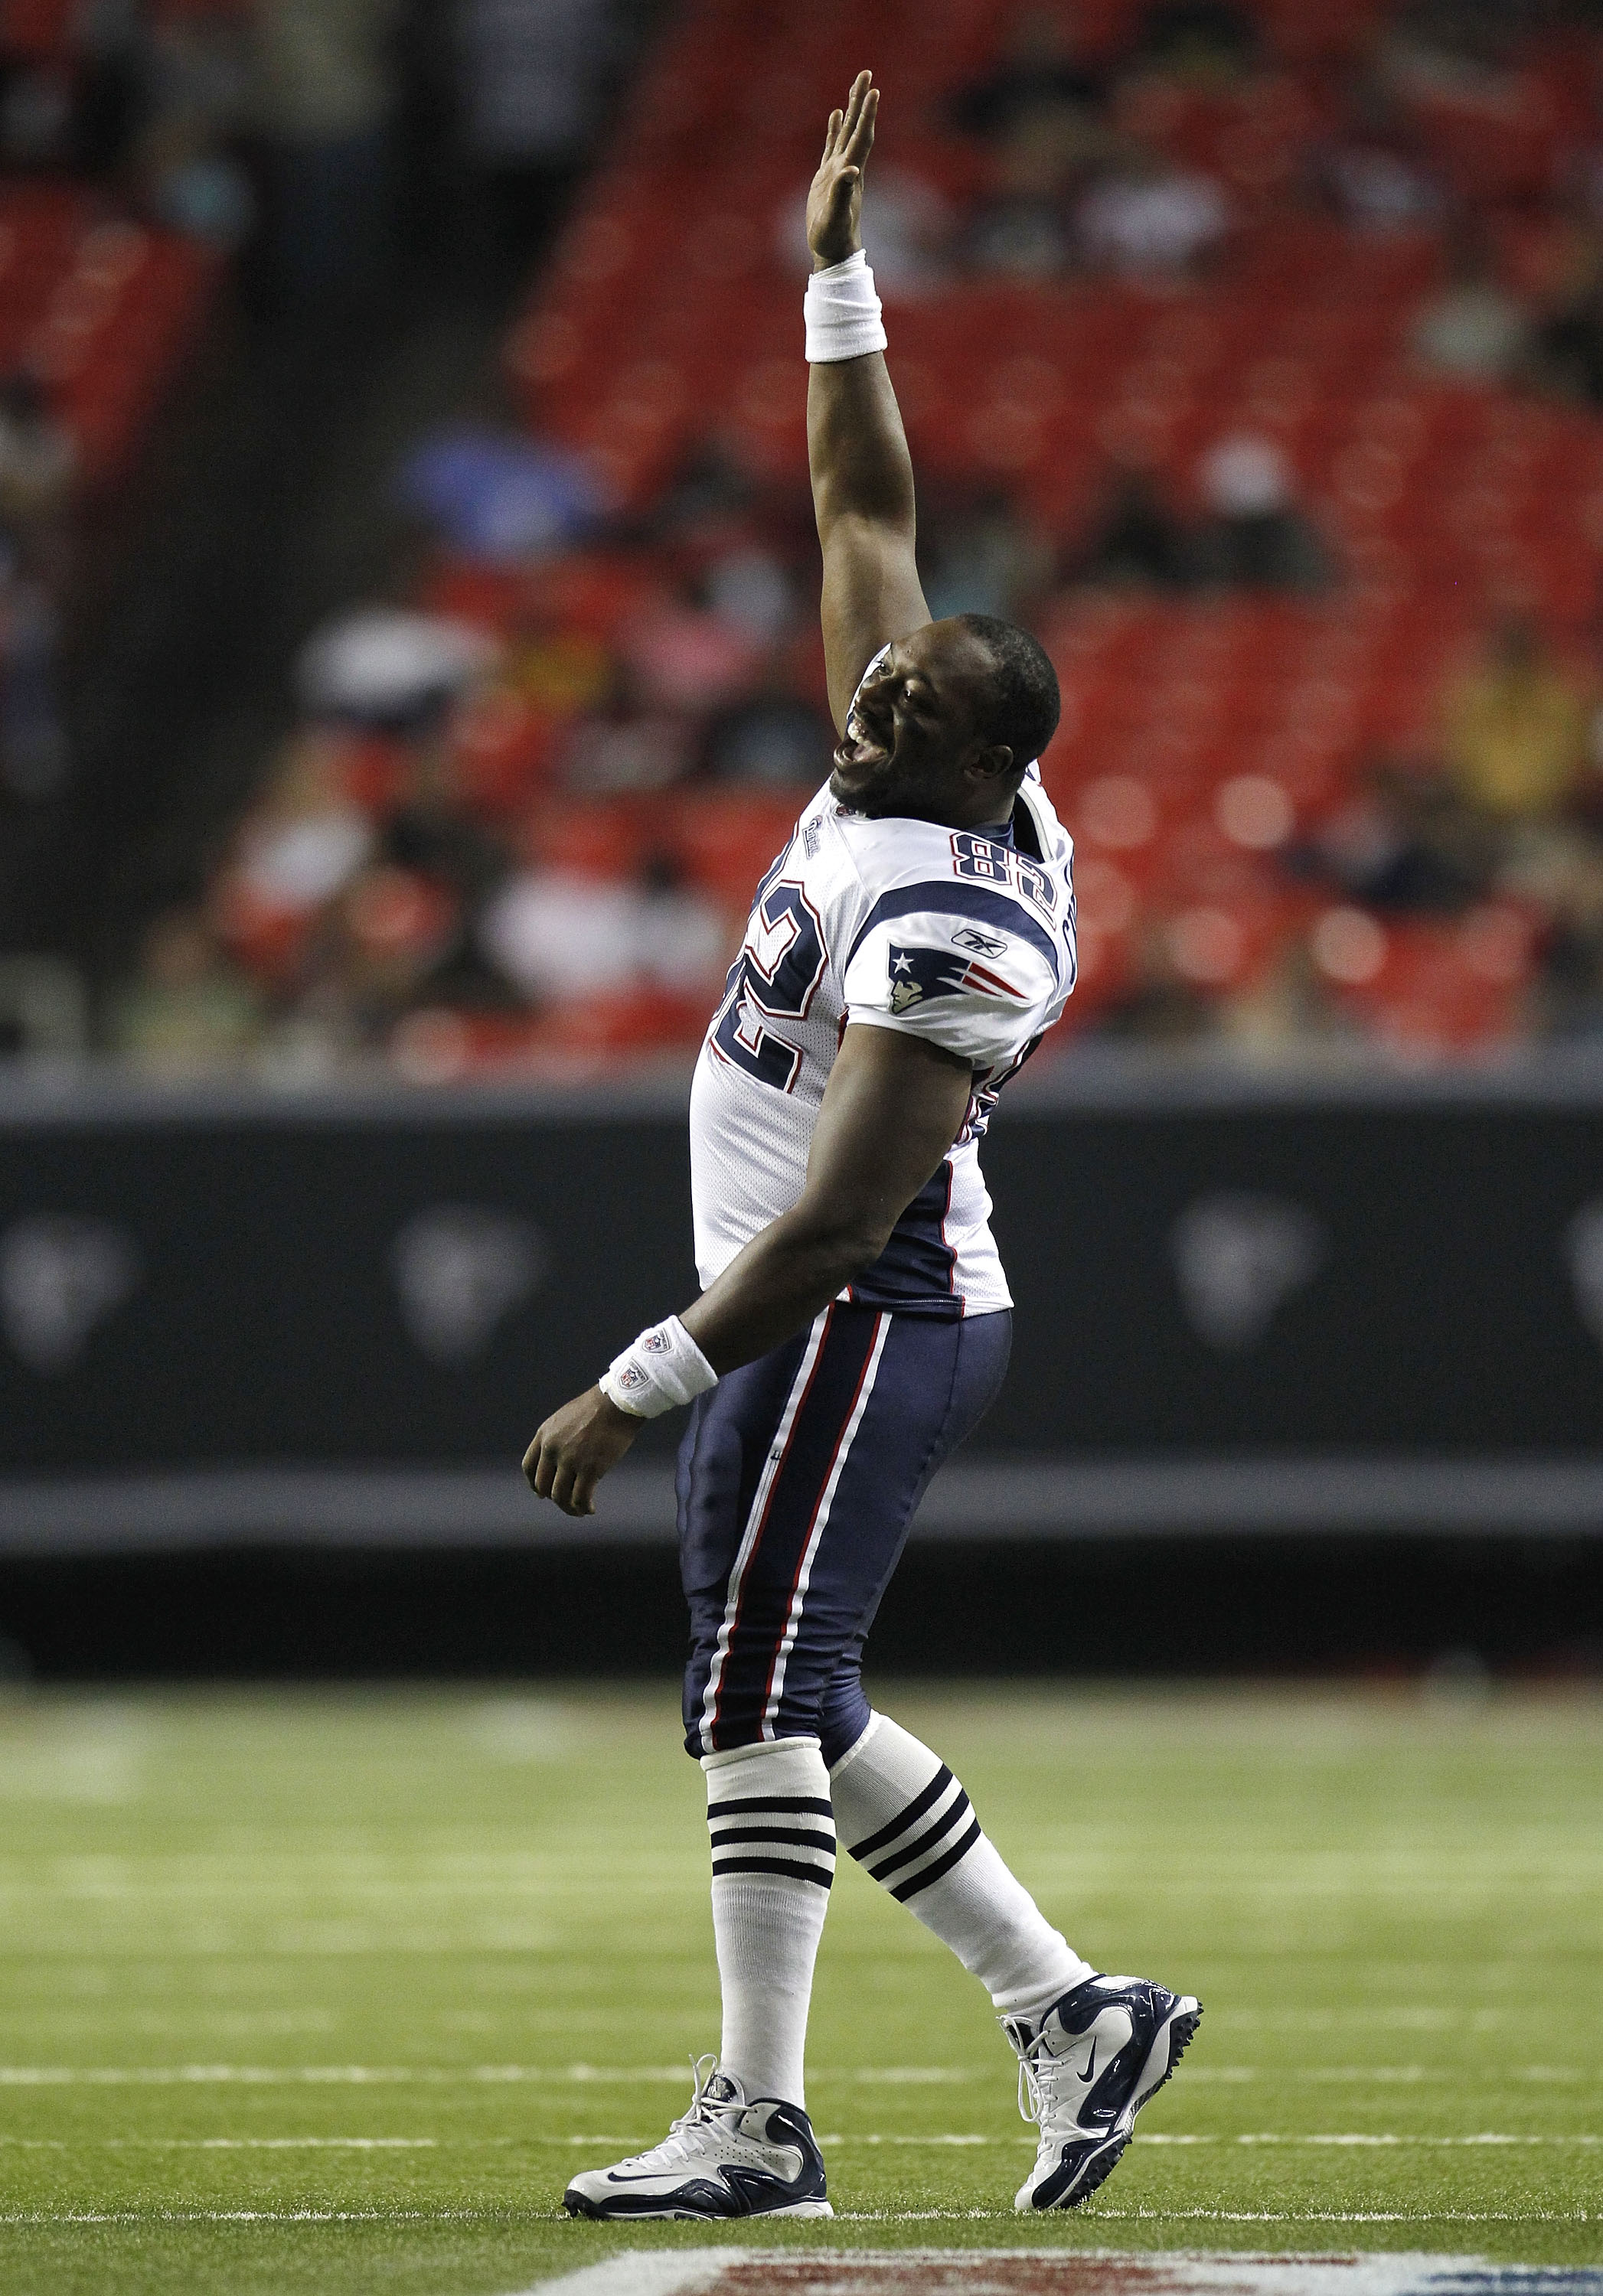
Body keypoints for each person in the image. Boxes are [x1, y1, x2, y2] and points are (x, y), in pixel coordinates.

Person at [524, 72, 1200, 2224]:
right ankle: (1066, 2004)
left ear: (991, 757)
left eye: (903, 710)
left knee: (752, 1690)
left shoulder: (961, 914)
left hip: (861, 1316)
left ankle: (759, 2124)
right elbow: (857, 513)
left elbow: (840, 1220)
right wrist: (836, 277)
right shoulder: (915, 764)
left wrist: (642, 1376)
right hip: (832, 1316)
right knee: (792, 1689)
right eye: (877, 690)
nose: (859, 706)